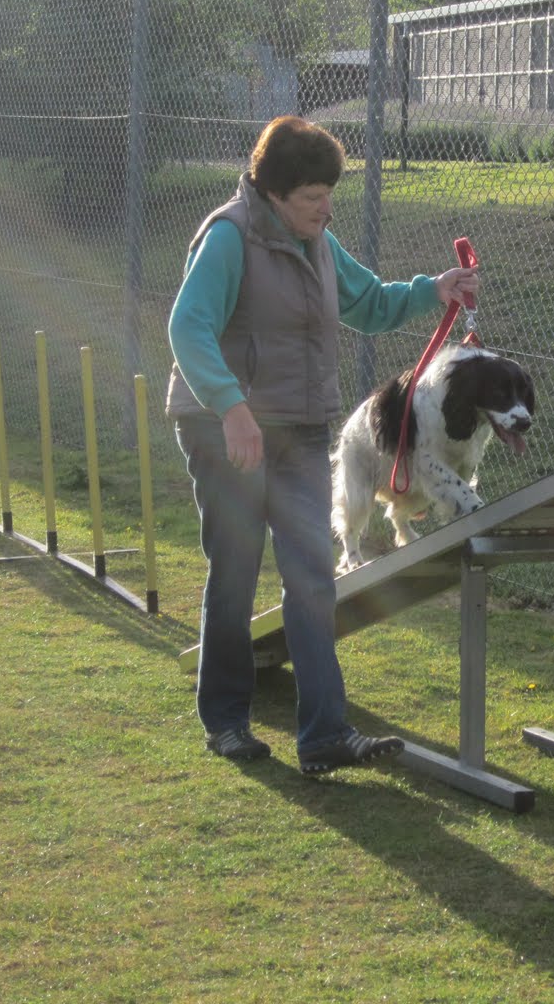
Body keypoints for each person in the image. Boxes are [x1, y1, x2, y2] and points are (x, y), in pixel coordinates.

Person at [166, 116, 480, 775]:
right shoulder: (228, 238)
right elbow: (187, 328)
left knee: (313, 577)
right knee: (236, 570)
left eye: (329, 195)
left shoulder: (317, 241)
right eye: (313, 197)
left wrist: (433, 290)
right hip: (227, 430)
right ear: (274, 193)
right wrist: (232, 409)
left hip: (300, 428)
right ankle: (226, 722)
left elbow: (367, 302)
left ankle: (325, 735)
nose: (325, 208)